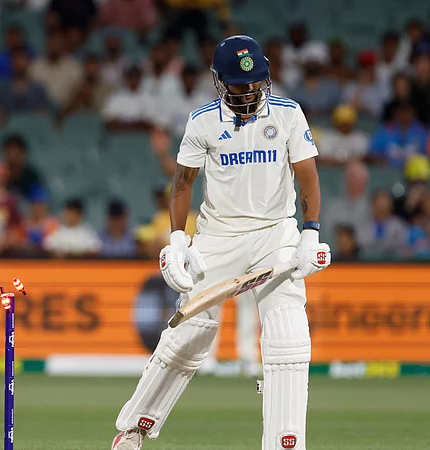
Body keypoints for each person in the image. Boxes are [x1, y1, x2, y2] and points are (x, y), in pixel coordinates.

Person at [112, 35, 331, 450]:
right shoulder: (202, 121)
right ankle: (135, 428)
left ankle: (286, 443)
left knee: (288, 334)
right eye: (238, 85)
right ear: (218, 81)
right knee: (191, 330)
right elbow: (182, 184)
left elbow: (308, 176)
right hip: (218, 236)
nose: (248, 92)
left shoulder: (287, 114)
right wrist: (178, 240)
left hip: (274, 234)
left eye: (255, 83)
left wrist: (311, 230)